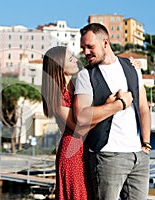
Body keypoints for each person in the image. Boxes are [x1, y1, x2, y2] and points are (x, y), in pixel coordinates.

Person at [73, 23, 151, 200]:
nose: (85, 52)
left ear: (105, 43)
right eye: (83, 48)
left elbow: (143, 108)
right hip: (107, 156)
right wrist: (119, 104)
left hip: (138, 155)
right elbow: (81, 117)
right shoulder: (86, 75)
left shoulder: (132, 67)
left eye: (90, 47)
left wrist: (146, 144)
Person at [41, 46, 93, 200]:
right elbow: (79, 129)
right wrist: (110, 110)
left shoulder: (79, 84)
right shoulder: (57, 96)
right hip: (72, 153)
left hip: (86, 150)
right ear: (59, 67)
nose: (76, 60)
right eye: (70, 59)